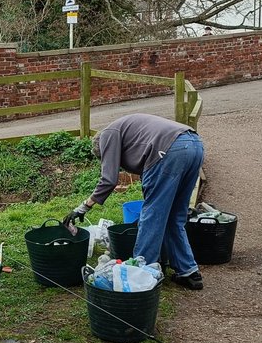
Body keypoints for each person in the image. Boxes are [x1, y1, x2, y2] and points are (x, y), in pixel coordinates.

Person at [63, 113, 206, 290]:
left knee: (152, 217)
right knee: (175, 217)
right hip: (194, 144)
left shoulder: (108, 135)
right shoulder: (127, 132)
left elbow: (109, 179)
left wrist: (84, 207)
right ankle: (189, 272)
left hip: (169, 150)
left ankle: (141, 274)